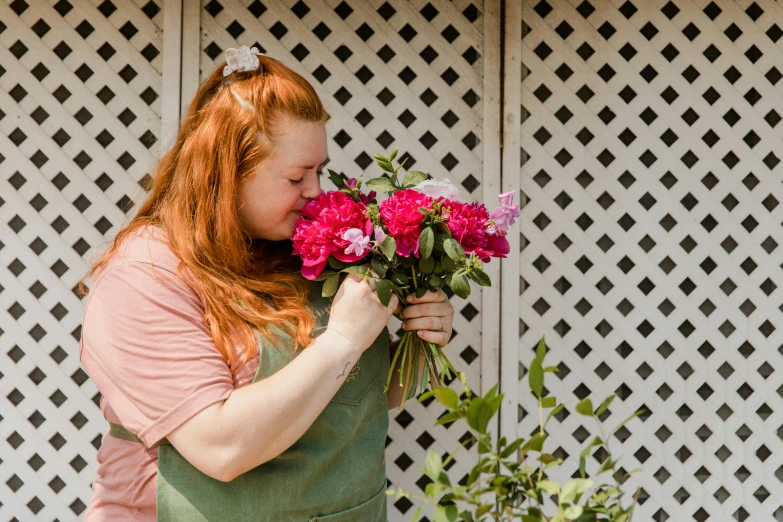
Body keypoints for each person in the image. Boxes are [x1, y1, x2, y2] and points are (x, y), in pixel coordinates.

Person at [78, 46, 455, 521]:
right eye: (297, 176)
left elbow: (358, 398)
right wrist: (342, 339)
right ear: (226, 172)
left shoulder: (303, 247)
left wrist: (419, 343)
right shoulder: (146, 274)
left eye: (319, 171)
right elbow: (221, 447)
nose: (316, 191)